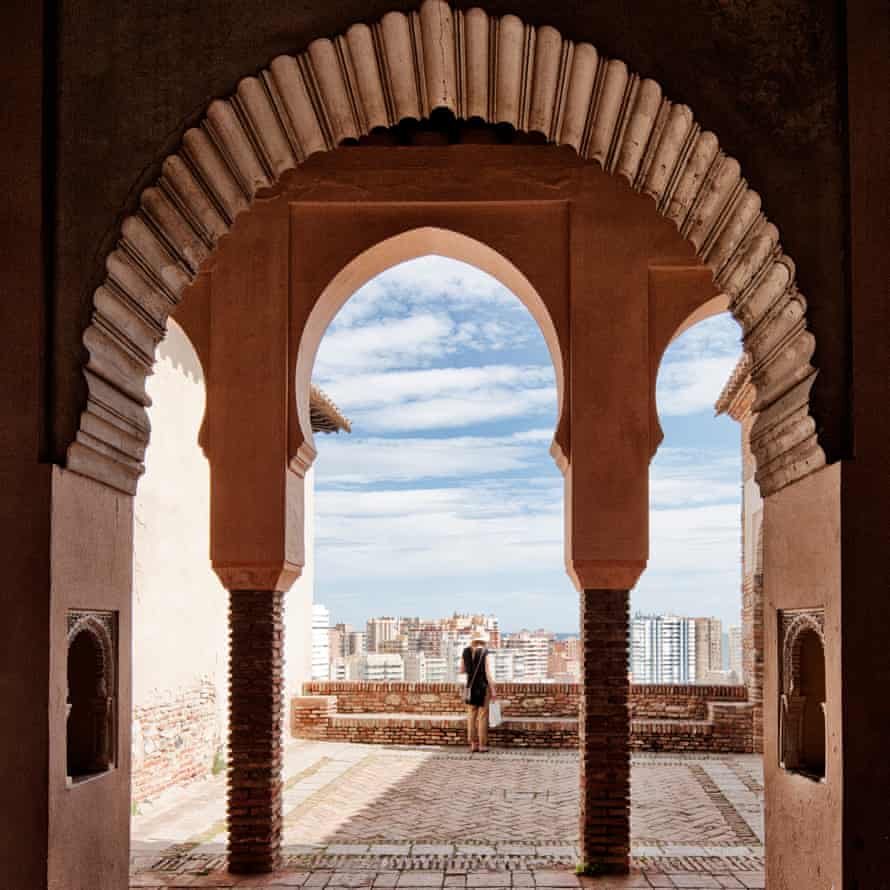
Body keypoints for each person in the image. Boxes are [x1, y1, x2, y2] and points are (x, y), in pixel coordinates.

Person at [461, 633, 497, 753]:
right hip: (482, 688)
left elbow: (462, 670)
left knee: (471, 716)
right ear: (483, 641)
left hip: (470, 688)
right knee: (482, 717)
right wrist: (493, 690)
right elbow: (487, 673)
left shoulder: (465, 651)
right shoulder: (484, 652)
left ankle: (473, 744)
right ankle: (482, 745)